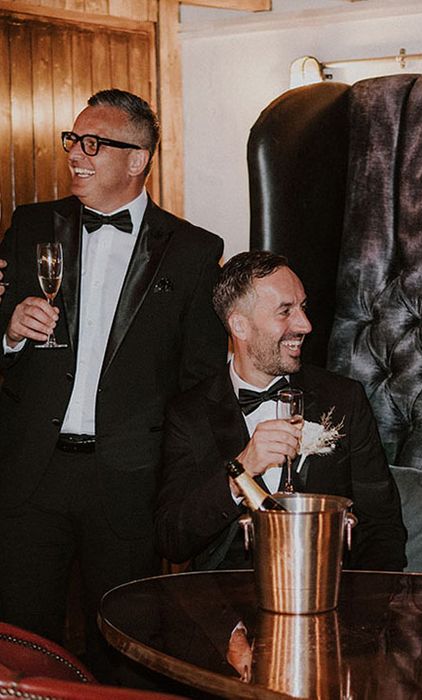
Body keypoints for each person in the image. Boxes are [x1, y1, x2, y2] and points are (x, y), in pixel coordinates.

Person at [0, 89, 227, 673]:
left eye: (93, 143)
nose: (76, 153)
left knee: (125, 646)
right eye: (73, 140)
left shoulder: (194, 250)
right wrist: (9, 333)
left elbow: (199, 379)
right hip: (32, 473)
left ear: (137, 159)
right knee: (20, 645)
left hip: (129, 481)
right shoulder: (29, 226)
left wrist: (181, 476)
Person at [154, 250, 407, 572]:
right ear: (240, 326)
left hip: (326, 592)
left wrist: (363, 606)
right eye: (285, 311)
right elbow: (170, 539)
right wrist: (240, 471)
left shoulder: (343, 398)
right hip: (227, 600)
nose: (305, 325)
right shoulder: (189, 413)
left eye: (302, 308)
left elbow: (382, 526)